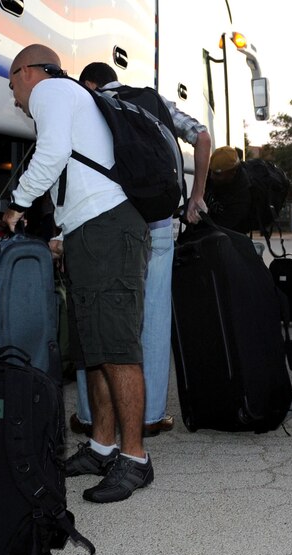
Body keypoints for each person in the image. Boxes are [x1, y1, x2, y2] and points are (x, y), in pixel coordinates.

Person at [3, 44, 152, 503]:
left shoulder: (50, 91)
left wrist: (17, 203)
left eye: (12, 85)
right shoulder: (70, 97)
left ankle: (135, 459)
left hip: (107, 228)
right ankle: (102, 446)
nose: (14, 97)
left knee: (118, 349)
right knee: (94, 349)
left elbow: (49, 155)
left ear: (27, 72)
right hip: (89, 230)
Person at [73, 61, 212, 438]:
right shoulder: (155, 101)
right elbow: (201, 136)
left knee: (96, 316)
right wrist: (196, 195)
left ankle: (89, 416)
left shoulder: (88, 103)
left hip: (109, 223)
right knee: (152, 316)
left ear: (90, 83)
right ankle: (150, 415)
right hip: (158, 221)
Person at [199, 146, 253, 233]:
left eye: (217, 174)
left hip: (230, 234)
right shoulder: (212, 173)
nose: (212, 176)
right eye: (211, 171)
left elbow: (224, 226)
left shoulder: (241, 195)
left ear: (232, 172)